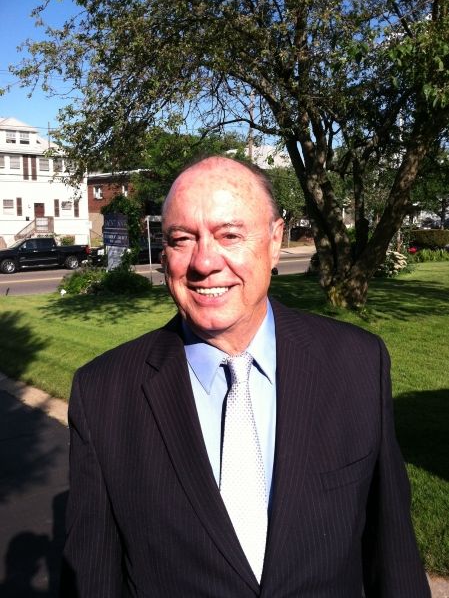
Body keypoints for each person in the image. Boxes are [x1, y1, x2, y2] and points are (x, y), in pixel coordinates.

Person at [61, 156, 430, 597]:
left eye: (230, 235)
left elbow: (394, 557)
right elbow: (92, 579)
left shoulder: (357, 363)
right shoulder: (103, 394)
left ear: (274, 241)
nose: (204, 262)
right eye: (182, 239)